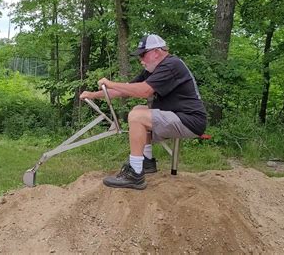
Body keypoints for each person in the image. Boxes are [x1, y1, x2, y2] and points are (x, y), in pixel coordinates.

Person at [79, 34, 207, 190]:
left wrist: (110, 82)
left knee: (137, 117)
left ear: (156, 52)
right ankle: (146, 161)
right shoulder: (152, 69)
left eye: (143, 54)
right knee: (138, 110)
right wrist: (92, 95)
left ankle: (135, 174)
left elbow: (144, 91)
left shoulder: (171, 65)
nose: (141, 59)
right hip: (176, 115)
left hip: (190, 120)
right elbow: (123, 90)